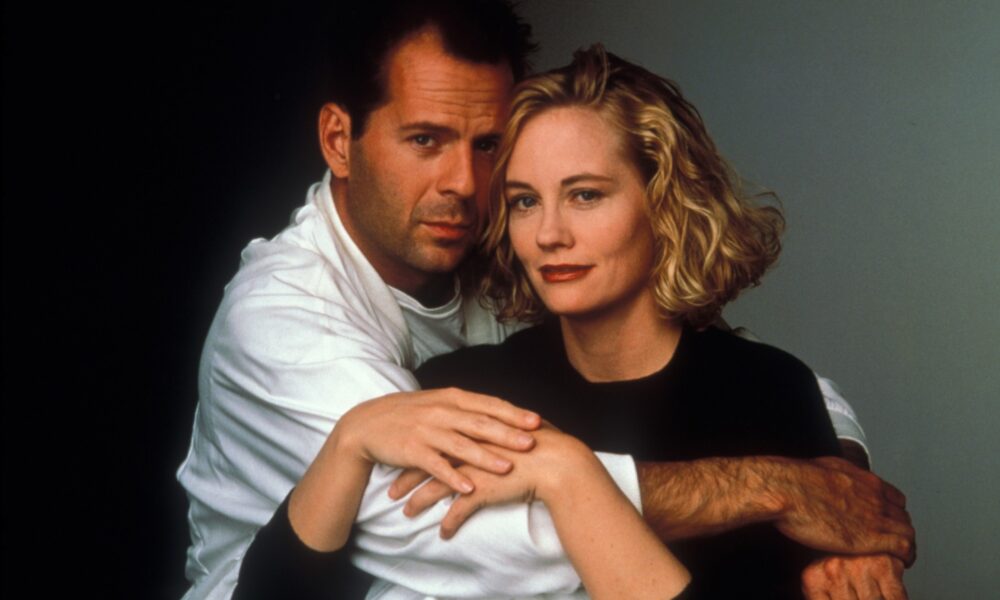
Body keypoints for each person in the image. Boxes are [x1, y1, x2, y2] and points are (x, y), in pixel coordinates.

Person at [176, 2, 913, 598]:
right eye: (425, 140)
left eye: (488, 147)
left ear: (664, 204)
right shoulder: (285, 320)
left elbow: (778, 392)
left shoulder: (476, 254)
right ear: (339, 141)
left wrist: (840, 485)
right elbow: (477, 543)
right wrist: (780, 490)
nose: (466, 185)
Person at [399, 44, 907, 598]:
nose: (548, 234)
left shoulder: (771, 391)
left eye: (585, 195)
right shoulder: (464, 391)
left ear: (665, 204)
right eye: (525, 202)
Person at [233, 391, 692, 600]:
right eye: (522, 214)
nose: (551, 236)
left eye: (587, 198)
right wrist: (346, 442)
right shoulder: (454, 385)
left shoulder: (733, 405)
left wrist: (571, 474)